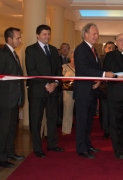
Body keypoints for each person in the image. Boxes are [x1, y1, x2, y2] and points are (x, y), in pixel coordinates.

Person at [73, 23, 114, 159]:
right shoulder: (80, 49)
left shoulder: (93, 50)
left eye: (97, 34)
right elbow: (84, 69)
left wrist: (98, 80)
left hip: (91, 91)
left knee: (89, 121)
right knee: (82, 121)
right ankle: (81, 149)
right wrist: (103, 75)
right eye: (94, 34)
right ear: (85, 34)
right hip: (83, 92)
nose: (96, 36)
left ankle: (87, 144)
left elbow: (93, 69)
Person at [25, 24, 64, 158]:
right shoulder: (30, 50)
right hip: (37, 91)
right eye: (44, 34)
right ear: (38, 35)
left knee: (52, 118)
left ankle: (52, 144)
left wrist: (55, 83)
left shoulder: (53, 50)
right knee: (36, 120)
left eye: (48, 34)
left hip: (52, 90)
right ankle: (37, 148)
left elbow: (58, 70)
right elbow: (32, 70)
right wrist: (47, 84)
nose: (47, 36)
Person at [0, 27, 25, 168]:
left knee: (11, 128)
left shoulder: (14, 54)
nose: (20, 40)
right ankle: (1, 157)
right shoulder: (3, 54)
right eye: (18, 38)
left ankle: (10, 152)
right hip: (5, 99)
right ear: (9, 39)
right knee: (3, 130)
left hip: (14, 98)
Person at [99, 41, 116, 139]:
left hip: (115, 88)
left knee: (114, 110)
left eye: (113, 48)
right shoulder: (101, 59)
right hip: (104, 88)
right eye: (109, 48)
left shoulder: (117, 58)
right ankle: (106, 130)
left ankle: (114, 129)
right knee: (104, 111)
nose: (111, 50)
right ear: (105, 49)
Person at [61, 50, 75, 135]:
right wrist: (70, 79)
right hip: (68, 90)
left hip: (79, 90)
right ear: (70, 57)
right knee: (67, 110)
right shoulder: (64, 66)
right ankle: (66, 129)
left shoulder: (81, 67)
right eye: (73, 57)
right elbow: (62, 79)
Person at [57, 43, 71, 127]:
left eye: (66, 48)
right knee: (59, 103)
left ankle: (68, 121)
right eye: (63, 48)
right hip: (59, 85)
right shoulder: (57, 59)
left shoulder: (72, 60)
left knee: (68, 105)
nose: (65, 49)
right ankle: (59, 120)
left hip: (70, 86)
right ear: (60, 50)